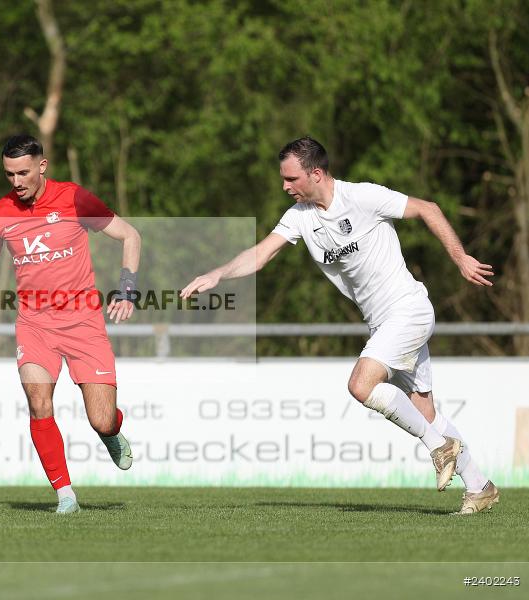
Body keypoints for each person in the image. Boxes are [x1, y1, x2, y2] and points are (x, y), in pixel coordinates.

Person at [181, 136, 499, 515]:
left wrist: (460, 258)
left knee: (361, 385)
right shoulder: (300, 217)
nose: (284, 186)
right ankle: (480, 487)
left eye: (290, 179)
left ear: (315, 174)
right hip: (382, 324)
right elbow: (261, 253)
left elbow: (428, 209)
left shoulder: (362, 197)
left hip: (409, 310)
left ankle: (438, 447)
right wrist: (218, 273)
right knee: (426, 414)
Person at [0, 134, 141, 513]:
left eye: (23, 173)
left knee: (101, 418)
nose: (16, 182)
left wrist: (127, 289)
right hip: (34, 326)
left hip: (84, 324)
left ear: (42, 166)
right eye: (9, 174)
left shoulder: (75, 198)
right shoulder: (0, 214)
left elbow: (130, 234)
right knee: (38, 402)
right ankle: (65, 495)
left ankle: (112, 430)